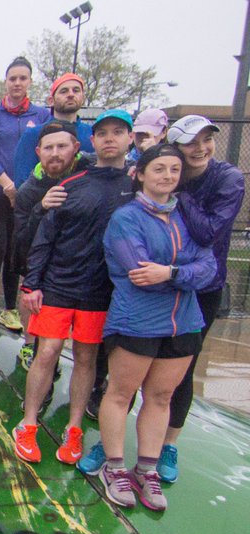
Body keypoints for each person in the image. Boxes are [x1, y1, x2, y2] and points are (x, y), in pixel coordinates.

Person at [89, 144, 216, 512]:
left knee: (160, 397)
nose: (168, 176)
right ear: (141, 173)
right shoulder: (126, 219)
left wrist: (173, 273)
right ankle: (115, 467)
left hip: (184, 323)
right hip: (137, 321)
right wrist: (181, 274)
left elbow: (209, 269)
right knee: (120, 393)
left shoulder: (189, 218)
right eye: (159, 169)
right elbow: (140, 272)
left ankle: (147, 468)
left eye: (174, 170)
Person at [14, 109, 135, 466]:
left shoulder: (137, 184)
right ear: (92, 141)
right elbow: (43, 239)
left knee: (86, 358)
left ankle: (74, 428)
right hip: (58, 285)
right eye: (103, 133)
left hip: (100, 291)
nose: (110, 139)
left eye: (118, 132)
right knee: (47, 351)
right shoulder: (69, 185)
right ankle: (29, 423)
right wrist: (33, 283)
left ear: (130, 139)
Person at [158, 115, 246, 482]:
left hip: (201, 289)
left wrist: (178, 192)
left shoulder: (228, 179)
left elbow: (209, 230)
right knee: (134, 362)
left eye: (207, 139)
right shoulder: (162, 171)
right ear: (175, 144)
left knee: (182, 368)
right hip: (153, 287)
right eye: (191, 141)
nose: (201, 148)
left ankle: (169, 445)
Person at [0, 57, 51, 332]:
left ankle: (9, 308)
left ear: (29, 81)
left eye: (22, 78)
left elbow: (47, 151)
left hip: (27, 194)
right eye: (12, 78)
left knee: (14, 251)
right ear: (6, 82)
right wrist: (8, 185)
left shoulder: (42, 116)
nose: (17, 83)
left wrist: (25, 188)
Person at [12, 121, 87, 368]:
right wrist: (40, 208)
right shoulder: (28, 190)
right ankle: (28, 344)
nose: (55, 153)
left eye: (62, 146)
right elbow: (22, 241)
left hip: (83, 266)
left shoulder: (90, 175)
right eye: (48, 147)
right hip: (44, 264)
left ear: (75, 148)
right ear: (38, 152)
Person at [12, 73, 93, 185]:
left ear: (82, 97)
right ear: (51, 100)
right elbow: (22, 180)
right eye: (64, 91)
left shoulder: (93, 134)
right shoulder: (33, 134)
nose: (70, 94)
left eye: (76, 90)